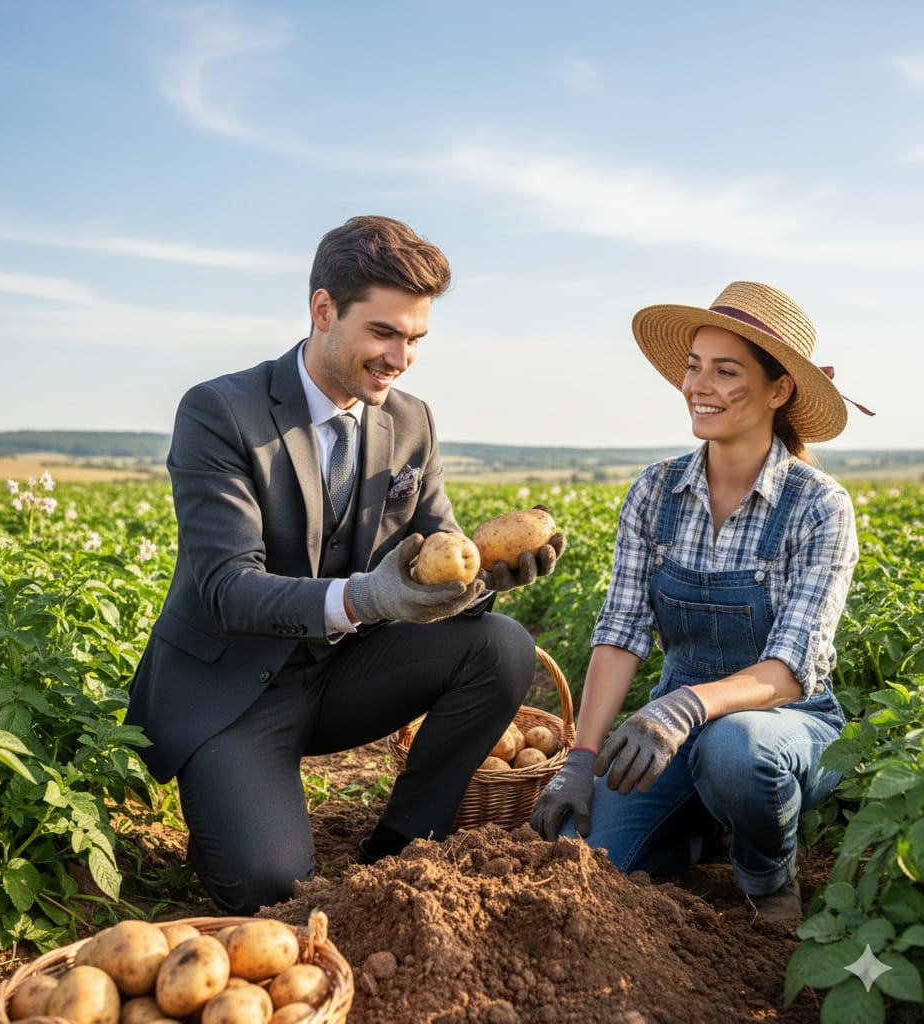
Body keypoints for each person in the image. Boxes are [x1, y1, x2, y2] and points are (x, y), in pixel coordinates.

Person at [126, 214, 565, 915]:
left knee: (501, 647)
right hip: (237, 689)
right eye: (384, 333)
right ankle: (240, 802)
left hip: (343, 675)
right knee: (272, 887)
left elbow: (437, 550)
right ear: (323, 310)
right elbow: (225, 589)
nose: (401, 358)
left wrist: (485, 579)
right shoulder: (221, 411)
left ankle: (398, 850)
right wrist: (368, 598)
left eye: (416, 339)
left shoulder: (410, 422)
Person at [530, 280, 870, 922]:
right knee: (581, 856)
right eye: (693, 367)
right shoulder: (656, 491)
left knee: (736, 749)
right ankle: (694, 830)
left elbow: (791, 670)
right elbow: (622, 629)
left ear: (778, 390)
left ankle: (768, 877)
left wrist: (688, 705)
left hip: (783, 725)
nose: (698, 386)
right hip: (675, 726)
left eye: (725, 371)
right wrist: (579, 759)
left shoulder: (819, 506)